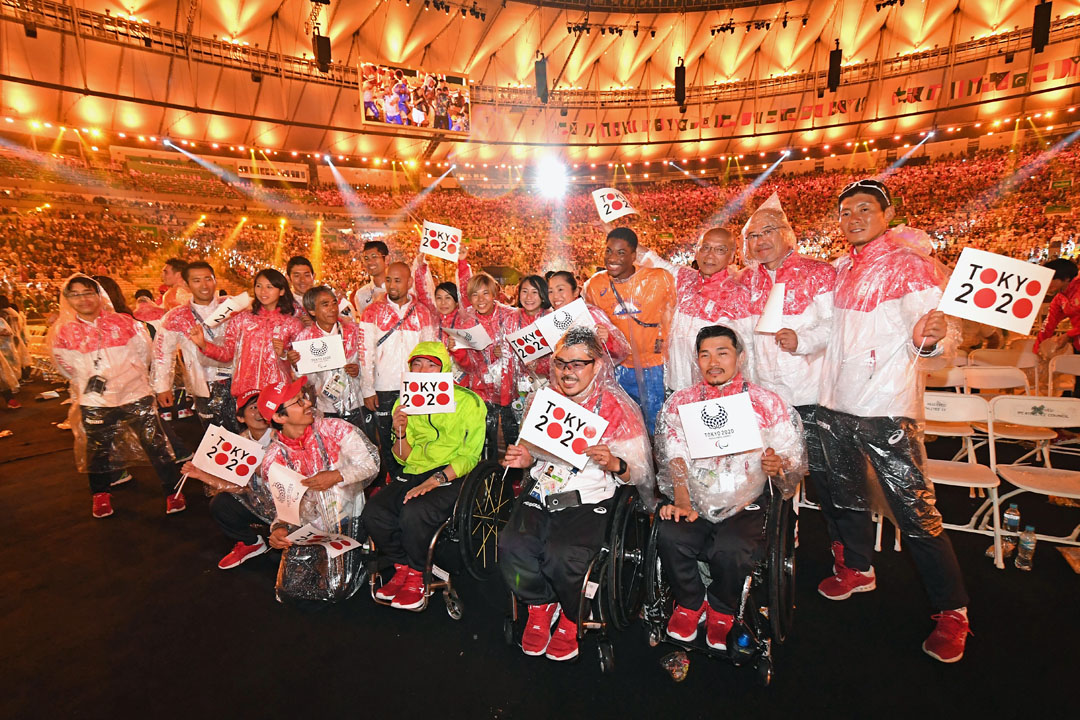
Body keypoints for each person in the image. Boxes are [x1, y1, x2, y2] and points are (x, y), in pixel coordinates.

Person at [816, 178, 970, 663]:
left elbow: (941, 338)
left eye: (864, 208)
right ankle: (858, 568)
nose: (854, 218)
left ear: (885, 214)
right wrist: (795, 340)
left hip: (887, 407)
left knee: (915, 513)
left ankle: (952, 612)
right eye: (845, 212)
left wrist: (932, 338)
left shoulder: (912, 267)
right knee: (846, 497)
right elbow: (826, 332)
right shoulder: (840, 269)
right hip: (837, 402)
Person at [499, 327, 654, 662]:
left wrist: (614, 461)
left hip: (591, 495)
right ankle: (539, 605)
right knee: (512, 545)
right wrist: (524, 456)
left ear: (597, 365)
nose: (567, 371)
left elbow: (638, 472)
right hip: (545, 488)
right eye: (560, 363)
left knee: (564, 554)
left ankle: (572, 613)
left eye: (577, 364)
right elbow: (530, 450)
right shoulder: (544, 400)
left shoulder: (618, 408)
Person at [655, 325, 805, 649]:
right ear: (696, 360)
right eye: (705, 355)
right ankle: (691, 601)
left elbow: (792, 456)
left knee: (733, 548)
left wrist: (777, 464)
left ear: (740, 356)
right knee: (669, 535)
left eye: (722, 353)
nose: (714, 362)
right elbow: (675, 455)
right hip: (695, 496)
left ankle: (722, 608)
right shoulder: (681, 403)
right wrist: (682, 500)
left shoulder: (765, 403)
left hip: (746, 499)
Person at [739, 196, 836, 543]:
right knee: (769, 466)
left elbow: (836, 324)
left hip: (810, 392)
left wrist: (803, 339)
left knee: (822, 474)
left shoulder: (819, 273)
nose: (760, 241)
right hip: (763, 395)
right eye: (752, 236)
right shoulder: (747, 281)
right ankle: (782, 531)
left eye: (768, 231)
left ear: (787, 234)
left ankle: (842, 548)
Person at [361, 341, 486, 609]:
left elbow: (470, 455)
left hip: (453, 472)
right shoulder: (403, 402)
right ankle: (402, 564)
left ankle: (419, 571)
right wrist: (401, 431)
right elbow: (401, 457)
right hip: (414, 468)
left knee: (415, 512)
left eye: (431, 364)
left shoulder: (468, 401)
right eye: (417, 363)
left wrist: (438, 478)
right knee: (375, 512)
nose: (423, 369)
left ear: (444, 368)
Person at [48, 275, 184, 518]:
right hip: (96, 401)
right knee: (98, 450)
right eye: (76, 294)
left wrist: (127, 378)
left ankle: (172, 491)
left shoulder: (124, 322)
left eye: (88, 292)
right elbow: (64, 367)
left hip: (136, 394)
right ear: (67, 299)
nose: (83, 299)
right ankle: (100, 494)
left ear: (99, 295)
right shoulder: (64, 332)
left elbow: (145, 354)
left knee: (156, 444)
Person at [262, 378, 381, 603]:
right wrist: (278, 529)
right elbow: (280, 508)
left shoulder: (334, 428)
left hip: (347, 518)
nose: (308, 403)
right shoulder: (273, 460)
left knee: (337, 588)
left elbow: (371, 462)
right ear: (279, 418)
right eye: (298, 402)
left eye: (304, 398)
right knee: (291, 590)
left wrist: (337, 476)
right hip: (307, 530)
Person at [640, 227, 755, 393]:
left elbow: (748, 352)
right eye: (705, 247)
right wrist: (616, 231)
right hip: (677, 386)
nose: (710, 255)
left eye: (720, 250)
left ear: (731, 256)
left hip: (718, 392)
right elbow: (649, 259)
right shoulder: (684, 278)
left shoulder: (740, 295)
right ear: (696, 252)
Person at [584, 227, 675, 435]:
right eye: (608, 251)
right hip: (617, 368)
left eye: (621, 252)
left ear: (634, 256)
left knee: (657, 425)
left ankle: (656, 465)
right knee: (623, 425)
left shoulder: (659, 279)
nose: (612, 258)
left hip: (654, 366)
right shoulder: (595, 285)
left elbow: (674, 316)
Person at [180, 389, 277, 569]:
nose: (260, 412)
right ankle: (251, 542)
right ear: (240, 418)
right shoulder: (237, 444)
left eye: (263, 406)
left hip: (288, 505)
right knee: (221, 504)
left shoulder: (281, 436)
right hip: (262, 502)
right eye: (253, 407)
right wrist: (201, 475)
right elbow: (240, 489)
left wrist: (264, 469)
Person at [359, 262, 437, 478]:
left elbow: (430, 353)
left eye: (398, 280)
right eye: (389, 280)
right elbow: (365, 353)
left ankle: (415, 482)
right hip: (383, 388)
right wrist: (367, 389)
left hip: (416, 389)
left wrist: (428, 387)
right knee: (388, 440)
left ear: (410, 283)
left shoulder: (423, 312)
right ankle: (394, 484)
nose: (392, 285)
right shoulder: (372, 312)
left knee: (417, 437)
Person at [189, 269, 303, 402]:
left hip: (278, 392)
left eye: (269, 287)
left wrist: (284, 354)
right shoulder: (242, 319)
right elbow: (227, 354)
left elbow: (301, 364)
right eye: (258, 286)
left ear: (282, 291)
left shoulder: (292, 324)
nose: (263, 291)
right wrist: (203, 344)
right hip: (246, 393)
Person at [153, 261, 239, 432]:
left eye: (208, 278)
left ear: (215, 280)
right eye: (197, 280)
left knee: (245, 431)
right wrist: (162, 387)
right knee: (214, 434)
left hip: (239, 381)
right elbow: (162, 353)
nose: (204, 285)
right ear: (186, 284)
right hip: (203, 384)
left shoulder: (232, 307)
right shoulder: (177, 316)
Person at [454, 272, 519, 461]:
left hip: (510, 389)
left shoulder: (511, 315)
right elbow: (467, 365)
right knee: (485, 436)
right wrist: (457, 350)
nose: (481, 300)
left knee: (511, 435)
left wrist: (507, 351)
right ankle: (489, 477)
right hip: (482, 389)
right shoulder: (466, 321)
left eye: (485, 293)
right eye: (475, 295)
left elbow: (524, 352)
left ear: (494, 294)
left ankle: (512, 477)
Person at [289, 286, 365, 427]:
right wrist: (297, 366)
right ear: (312, 310)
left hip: (357, 404)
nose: (332, 308)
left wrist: (359, 370)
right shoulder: (305, 338)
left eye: (334, 303)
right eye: (325, 304)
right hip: (327, 407)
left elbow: (368, 361)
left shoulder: (353, 331)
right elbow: (306, 381)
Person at [547, 271, 630, 366]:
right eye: (550, 291)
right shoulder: (548, 322)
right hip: (564, 378)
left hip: (594, 378)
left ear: (576, 292)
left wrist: (608, 340)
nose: (555, 296)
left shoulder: (592, 314)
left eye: (560, 289)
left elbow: (620, 352)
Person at [1034, 258, 1080, 353]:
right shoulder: (1060, 298)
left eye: (1051, 279)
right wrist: (1037, 350)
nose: (1047, 283)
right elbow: (1047, 325)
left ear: (1066, 278)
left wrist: (1069, 334)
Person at [353, 241, 390, 317]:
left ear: (386, 259)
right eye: (366, 258)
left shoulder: (402, 289)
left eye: (374, 257)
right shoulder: (361, 295)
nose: (369, 262)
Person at [286, 256, 317, 326]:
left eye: (306, 275)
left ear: (314, 277)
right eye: (297, 276)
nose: (302, 280)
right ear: (288, 278)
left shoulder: (324, 300)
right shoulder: (284, 303)